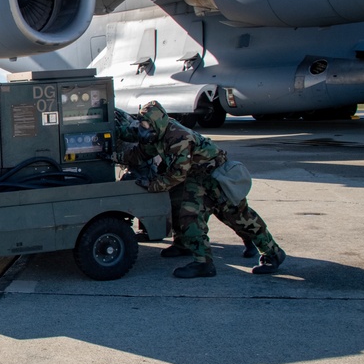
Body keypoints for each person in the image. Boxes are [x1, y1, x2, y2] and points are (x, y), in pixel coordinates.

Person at [116, 101, 285, 278]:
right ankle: (198, 258)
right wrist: (113, 153)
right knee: (189, 215)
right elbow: (139, 151)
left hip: (215, 177)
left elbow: (177, 175)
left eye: (146, 125)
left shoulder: (178, 138)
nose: (143, 128)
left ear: (156, 124)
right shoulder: (157, 132)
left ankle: (273, 253)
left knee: (239, 216)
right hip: (196, 177)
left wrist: (152, 185)